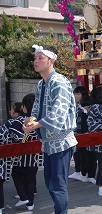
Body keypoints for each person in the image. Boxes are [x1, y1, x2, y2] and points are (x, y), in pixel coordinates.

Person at [23, 45, 77, 214]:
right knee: (50, 183)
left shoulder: (59, 81)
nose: (36, 61)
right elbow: (37, 109)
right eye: (35, 58)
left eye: (40, 58)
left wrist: (37, 124)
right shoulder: (42, 84)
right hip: (48, 143)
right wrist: (30, 121)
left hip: (61, 142)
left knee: (58, 185)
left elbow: (58, 114)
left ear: (51, 60)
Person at [11, 93, 44, 211]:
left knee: (17, 175)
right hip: (35, 156)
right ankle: (30, 203)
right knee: (30, 178)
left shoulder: (18, 121)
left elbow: (14, 136)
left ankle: (23, 196)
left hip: (19, 156)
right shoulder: (42, 120)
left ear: (24, 107)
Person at [77, 95, 97, 184]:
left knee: (93, 157)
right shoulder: (78, 114)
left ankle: (91, 175)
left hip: (92, 138)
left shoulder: (93, 114)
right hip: (82, 138)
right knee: (84, 158)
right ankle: (83, 174)